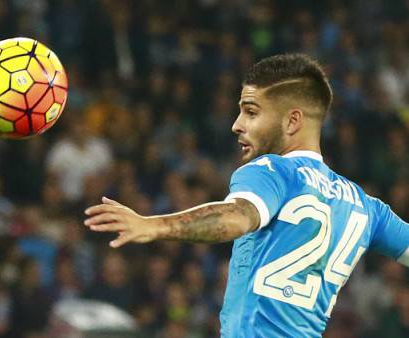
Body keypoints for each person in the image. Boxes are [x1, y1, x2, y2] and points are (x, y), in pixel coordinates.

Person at [83, 54, 409, 337]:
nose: (236, 124)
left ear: (292, 121)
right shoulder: (365, 206)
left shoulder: (272, 171)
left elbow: (236, 216)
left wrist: (153, 226)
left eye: (251, 112)